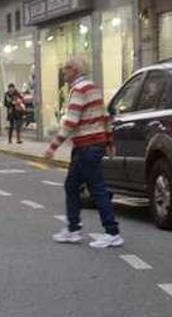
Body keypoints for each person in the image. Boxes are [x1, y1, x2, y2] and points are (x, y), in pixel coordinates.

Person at [43, 57, 123, 249]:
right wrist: (109, 142)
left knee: (96, 188)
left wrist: (53, 146)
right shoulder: (93, 88)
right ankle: (73, 229)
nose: (64, 73)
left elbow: (71, 122)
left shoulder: (79, 90)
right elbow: (105, 117)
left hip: (86, 146)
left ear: (75, 70)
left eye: (66, 69)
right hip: (93, 145)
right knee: (73, 185)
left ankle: (111, 232)